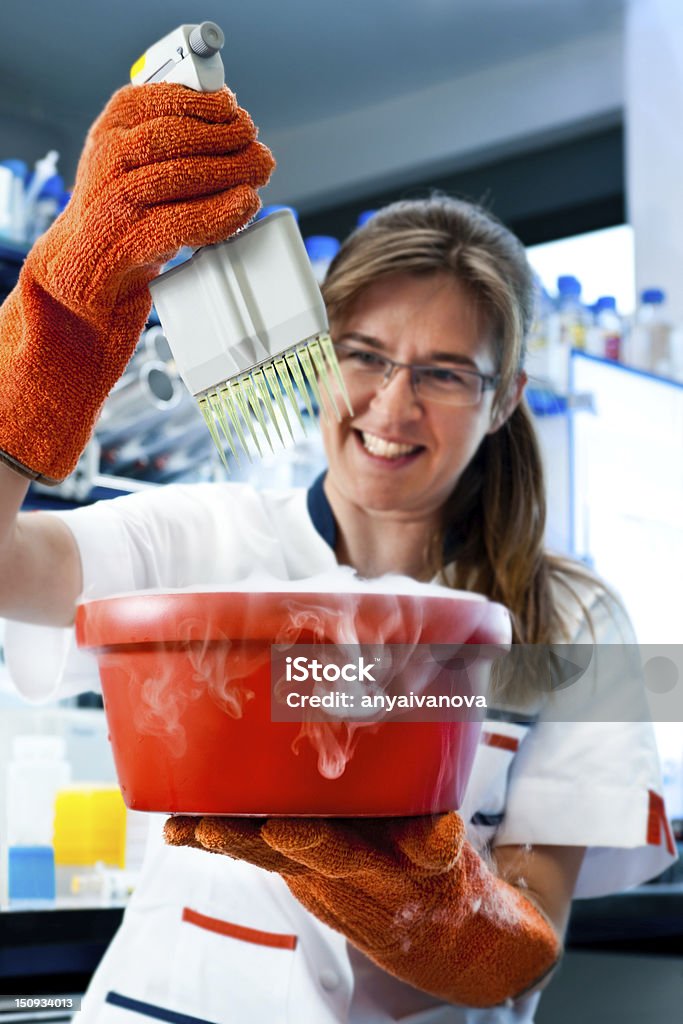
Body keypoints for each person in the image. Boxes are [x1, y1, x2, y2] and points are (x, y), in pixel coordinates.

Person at [0, 81, 676, 1024]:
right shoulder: (205, 538)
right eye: (361, 354)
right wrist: (59, 332)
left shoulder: (570, 625)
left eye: (442, 374)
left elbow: (524, 947)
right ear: (316, 352)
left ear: (507, 394)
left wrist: (422, 909)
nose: (391, 408)